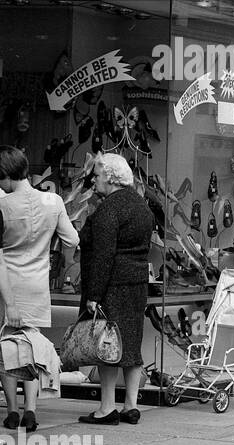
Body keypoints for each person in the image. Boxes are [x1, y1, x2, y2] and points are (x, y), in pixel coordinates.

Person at [0, 147, 79, 429]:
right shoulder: (54, 201)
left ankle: (11, 410)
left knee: (7, 349)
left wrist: (9, 303)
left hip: (7, 285)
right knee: (31, 346)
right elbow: (72, 239)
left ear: (7, 176)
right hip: (37, 285)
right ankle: (30, 409)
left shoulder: (3, 205)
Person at [76, 153, 154, 426]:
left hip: (112, 286)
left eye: (96, 175)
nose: (93, 180)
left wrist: (94, 296)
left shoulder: (109, 209)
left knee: (106, 345)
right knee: (131, 344)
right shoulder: (141, 206)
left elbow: (103, 256)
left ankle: (107, 407)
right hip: (136, 284)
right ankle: (131, 406)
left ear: (110, 176)